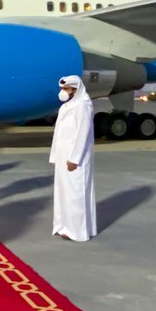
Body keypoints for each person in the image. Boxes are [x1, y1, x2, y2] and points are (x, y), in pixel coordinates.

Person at [50, 75, 97, 241]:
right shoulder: (68, 106)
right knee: (63, 193)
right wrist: (55, 156)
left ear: (75, 90)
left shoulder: (83, 105)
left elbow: (82, 134)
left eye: (66, 89)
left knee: (75, 194)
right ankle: (63, 226)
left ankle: (76, 230)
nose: (63, 92)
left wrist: (74, 159)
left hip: (74, 159)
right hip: (63, 157)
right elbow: (59, 133)